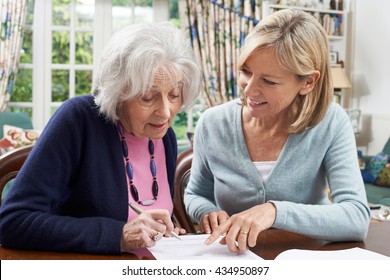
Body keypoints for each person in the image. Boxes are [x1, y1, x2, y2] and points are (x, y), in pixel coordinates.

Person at [0, 22, 201, 254]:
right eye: (148, 97)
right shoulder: (79, 119)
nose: (165, 112)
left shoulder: (165, 137)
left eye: (174, 95)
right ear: (119, 92)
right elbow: (13, 221)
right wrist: (119, 235)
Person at [184, 9, 370, 253]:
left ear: (308, 82)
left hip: (307, 260)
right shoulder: (212, 123)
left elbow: (356, 217)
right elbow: (196, 193)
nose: (249, 90)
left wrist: (274, 211)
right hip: (235, 260)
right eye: (246, 72)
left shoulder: (331, 122)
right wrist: (206, 211)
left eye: (269, 81)